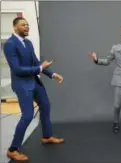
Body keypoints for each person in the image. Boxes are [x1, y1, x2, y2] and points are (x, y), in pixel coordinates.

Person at [4, 17, 65, 161]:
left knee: (45, 106)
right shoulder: (10, 44)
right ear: (15, 27)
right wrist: (39, 68)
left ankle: (47, 136)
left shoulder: (28, 43)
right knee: (27, 116)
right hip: (22, 85)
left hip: (34, 82)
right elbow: (17, 69)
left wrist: (52, 74)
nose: (27, 27)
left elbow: (37, 63)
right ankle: (13, 149)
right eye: (23, 25)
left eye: (27, 25)